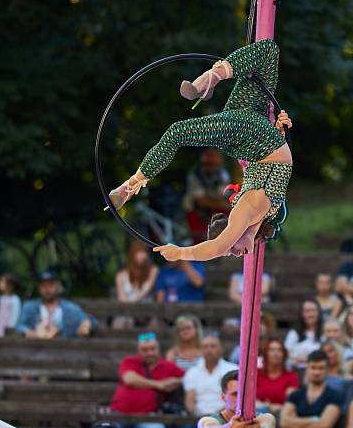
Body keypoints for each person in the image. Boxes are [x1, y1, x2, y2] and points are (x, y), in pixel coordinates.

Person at [109, 40, 294, 262]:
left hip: (252, 135)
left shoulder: (244, 214)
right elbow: (272, 169)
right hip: (257, 133)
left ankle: (131, 185)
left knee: (178, 132)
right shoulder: (264, 218)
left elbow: (215, 248)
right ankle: (210, 80)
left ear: (230, 233)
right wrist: (279, 129)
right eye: (232, 252)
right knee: (268, 51)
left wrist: (180, 253)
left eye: (229, 248)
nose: (232, 253)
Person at [109, 332, 184, 428]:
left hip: (148, 417)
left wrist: (176, 382)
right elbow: (129, 379)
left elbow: (188, 378)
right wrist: (159, 385)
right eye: (145, 350)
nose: (150, 353)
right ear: (139, 351)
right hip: (119, 415)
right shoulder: (130, 361)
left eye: (153, 349)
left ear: (159, 349)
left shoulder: (169, 366)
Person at [17, 272, 96, 339]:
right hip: (33, 351)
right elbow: (19, 325)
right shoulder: (29, 307)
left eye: (50, 285)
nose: (47, 289)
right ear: (39, 288)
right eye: (43, 286)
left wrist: (87, 323)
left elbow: (90, 320)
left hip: (64, 351)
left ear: (58, 287)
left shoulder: (71, 308)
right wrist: (28, 332)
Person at [182, 147, 232, 243]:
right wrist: (222, 203)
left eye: (214, 155)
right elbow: (202, 201)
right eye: (208, 155)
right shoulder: (196, 175)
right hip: (197, 213)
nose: (211, 158)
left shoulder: (223, 174)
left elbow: (225, 196)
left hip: (216, 212)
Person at [183, 334, 238, 416]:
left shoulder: (232, 370)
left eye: (213, 346)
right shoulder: (192, 372)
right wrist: (201, 417)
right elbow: (190, 402)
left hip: (226, 417)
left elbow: (235, 398)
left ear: (221, 349)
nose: (209, 350)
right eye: (205, 347)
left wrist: (215, 416)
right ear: (200, 350)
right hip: (197, 418)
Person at [256, 338, 299, 414]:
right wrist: (265, 407)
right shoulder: (256, 374)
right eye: (272, 350)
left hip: (280, 415)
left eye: (280, 350)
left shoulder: (291, 376)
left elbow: (291, 404)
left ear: (284, 354)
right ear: (265, 354)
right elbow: (248, 400)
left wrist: (272, 407)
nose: (276, 353)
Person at [284, 299, 324, 368]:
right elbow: (286, 355)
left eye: (313, 311)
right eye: (307, 311)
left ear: (319, 313)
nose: (310, 314)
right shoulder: (293, 333)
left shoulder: (325, 332)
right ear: (301, 313)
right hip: (297, 372)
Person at [0, 273, 21, 338]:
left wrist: (11, 326)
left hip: (7, 326)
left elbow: (15, 314)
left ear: (10, 285)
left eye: (2, 281)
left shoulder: (15, 299)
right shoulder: (1, 298)